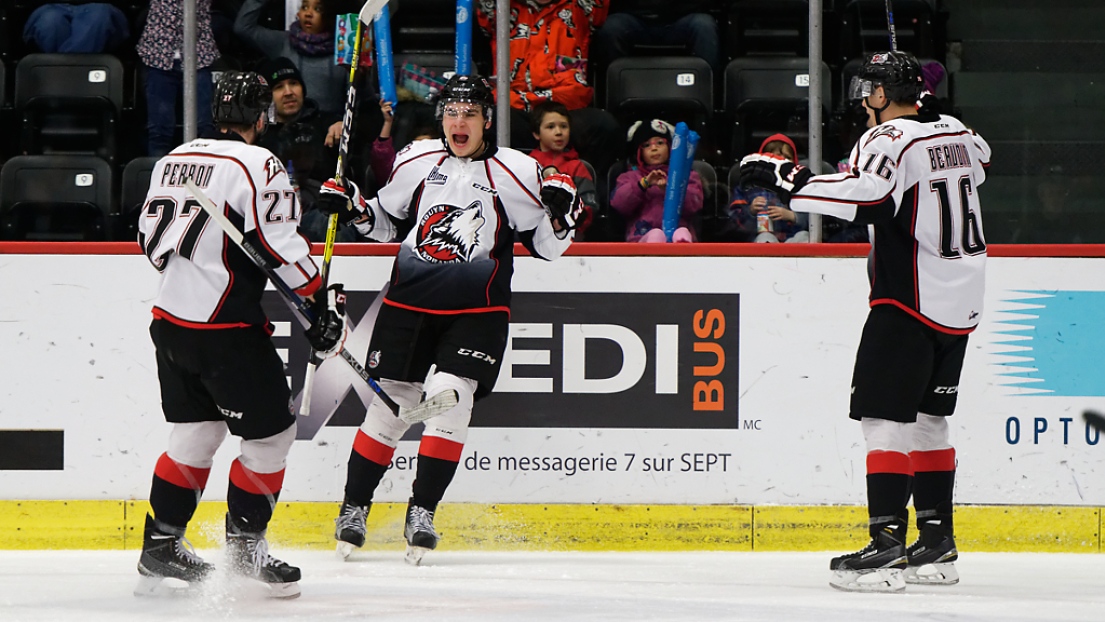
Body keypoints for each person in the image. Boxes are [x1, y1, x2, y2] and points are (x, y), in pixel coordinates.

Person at [740, 50, 991, 593]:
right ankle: (937, 543)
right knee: (929, 418)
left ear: (881, 95)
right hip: (961, 299)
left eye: (868, 91)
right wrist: (933, 119)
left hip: (908, 298)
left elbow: (872, 196)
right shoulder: (959, 132)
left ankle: (885, 546)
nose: (863, 101)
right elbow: (981, 158)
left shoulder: (885, 139)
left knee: (882, 420)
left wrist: (794, 181)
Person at [315, 74, 584, 565]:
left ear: (487, 120)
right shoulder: (415, 158)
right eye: (452, 113)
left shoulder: (520, 170)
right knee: (391, 406)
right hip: (408, 304)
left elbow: (548, 248)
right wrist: (353, 207)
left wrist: (564, 214)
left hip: (476, 311)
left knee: (450, 399)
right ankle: (353, 509)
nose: (460, 123)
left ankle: (422, 511)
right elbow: (384, 224)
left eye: (471, 114)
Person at [134, 71, 344, 599]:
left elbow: (151, 244)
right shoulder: (259, 163)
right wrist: (319, 300)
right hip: (226, 329)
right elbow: (283, 248)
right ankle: (247, 553)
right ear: (260, 117)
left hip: (171, 321)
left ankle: (160, 547)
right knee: (271, 437)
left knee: (196, 433)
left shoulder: (173, 159)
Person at [476, 0, 622, 177]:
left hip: (566, 110)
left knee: (604, 126)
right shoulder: (500, 8)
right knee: (483, 121)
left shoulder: (581, 7)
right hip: (516, 110)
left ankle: (585, 195)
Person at [254, 56, 358, 242]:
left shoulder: (328, 124)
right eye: (278, 87)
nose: (288, 92)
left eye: (293, 83)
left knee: (333, 224)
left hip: (325, 213)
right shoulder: (260, 138)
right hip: (276, 219)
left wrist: (348, 127)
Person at [235, 0, 348, 116]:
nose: (308, 13)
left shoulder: (344, 49)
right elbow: (243, 27)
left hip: (330, 128)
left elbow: (362, 99)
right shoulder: (283, 42)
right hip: (288, 128)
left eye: (318, 9)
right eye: (304, 7)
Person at [137, 0, 218, 157]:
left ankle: (204, 176)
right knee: (159, 132)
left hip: (199, 55)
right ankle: (159, 178)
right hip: (158, 55)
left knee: (205, 131)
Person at [610, 118, 703, 243]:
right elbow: (619, 204)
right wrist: (643, 184)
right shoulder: (630, 177)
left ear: (671, 147)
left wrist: (672, 189)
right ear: (639, 152)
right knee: (656, 235)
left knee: (682, 233)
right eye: (646, 145)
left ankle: (683, 252)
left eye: (660, 143)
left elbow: (694, 204)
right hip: (641, 237)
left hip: (677, 231)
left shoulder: (687, 175)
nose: (654, 148)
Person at [528, 100, 597, 237]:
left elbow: (589, 208)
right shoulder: (526, 165)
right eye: (550, 127)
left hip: (570, 236)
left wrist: (565, 222)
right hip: (530, 235)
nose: (559, 132)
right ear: (536, 133)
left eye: (564, 126)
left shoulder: (578, 167)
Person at [591, 1, 720, 72]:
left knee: (704, 26)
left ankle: (705, 97)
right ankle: (614, 95)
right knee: (611, 28)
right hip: (632, 17)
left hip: (680, 18)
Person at [730, 134, 809, 243]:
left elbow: (818, 221)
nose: (781, 162)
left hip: (793, 242)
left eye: (787, 157)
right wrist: (751, 211)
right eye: (774, 157)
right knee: (765, 238)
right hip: (760, 242)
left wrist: (793, 216)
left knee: (805, 236)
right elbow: (733, 222)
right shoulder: (748, 188)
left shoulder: (803, 188)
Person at [22, 2, 129, 53]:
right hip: (52, 6)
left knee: (98, 17)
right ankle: (74, 75)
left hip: (100, 5)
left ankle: (61, 74)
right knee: (50, 21)